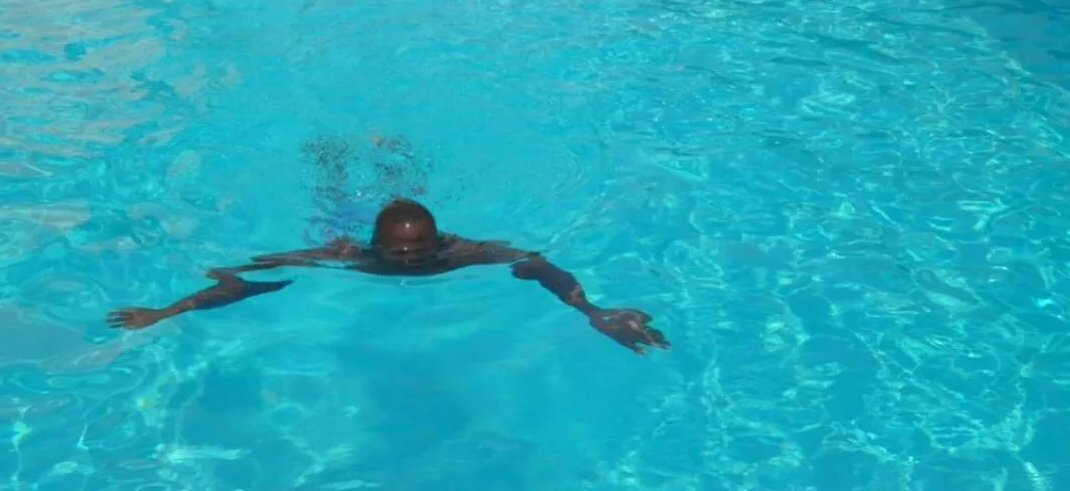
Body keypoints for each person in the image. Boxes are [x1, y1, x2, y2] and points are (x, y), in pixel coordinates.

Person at [107, 198, 670, 354]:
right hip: (345, 229)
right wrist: (167, 311)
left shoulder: (462, 253)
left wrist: (590, 309)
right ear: (378, 249)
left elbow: (540, 264)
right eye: (400, 255)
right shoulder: (351, 255)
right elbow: (242, 280)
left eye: (421, 252)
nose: (411, 263)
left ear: (440, 241)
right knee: (335, 200)